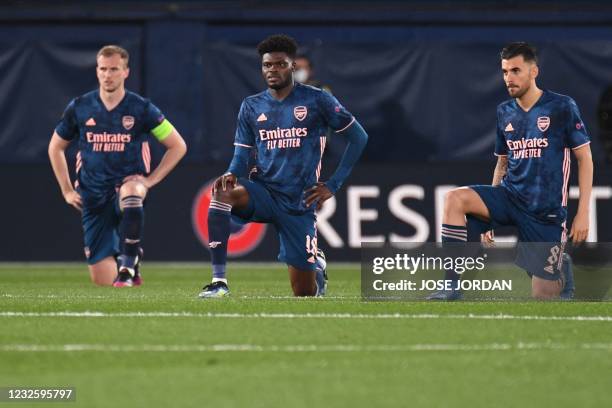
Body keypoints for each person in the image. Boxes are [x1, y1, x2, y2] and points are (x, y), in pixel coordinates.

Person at [199, 34, 368, 298]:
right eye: (267, 65)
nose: (272, 70)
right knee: (221, 191)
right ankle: (219, 281)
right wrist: (232, 172)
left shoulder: (318, 99)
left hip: (299, 202)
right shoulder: (251, 105)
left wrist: (333, 185)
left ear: (293, 66)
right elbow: (241, 154)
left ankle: (316, 264)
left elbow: (359, 137)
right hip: (264, 191)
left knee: (304, 293)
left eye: (279, 64)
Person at [429, 42, 593, 300]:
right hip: (509, 197)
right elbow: (502, 163)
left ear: (534, 72)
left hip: (544, 213)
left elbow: (585, 159)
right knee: (454, 198)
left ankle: (562, 264)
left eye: (516, 70)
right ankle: (450, 287)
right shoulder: (504, 112)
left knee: (543, 297)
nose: (509, 78)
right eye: (505, 72)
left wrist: (583, 213)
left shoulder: (561, 107)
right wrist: (488, 218)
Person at [48, 45, 187, 287]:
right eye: (103, 69)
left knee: (132, 193)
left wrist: (150, 180)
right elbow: (55, 147)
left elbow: (177, 145)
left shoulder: (142, 108)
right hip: (91, 194)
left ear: (126, 72)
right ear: (97, 71)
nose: (108, 74)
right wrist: (67, 190)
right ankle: (129, 257)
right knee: (104, 281)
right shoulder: (80, 107)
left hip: (128, 184)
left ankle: (128, 263)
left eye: (114, 69)